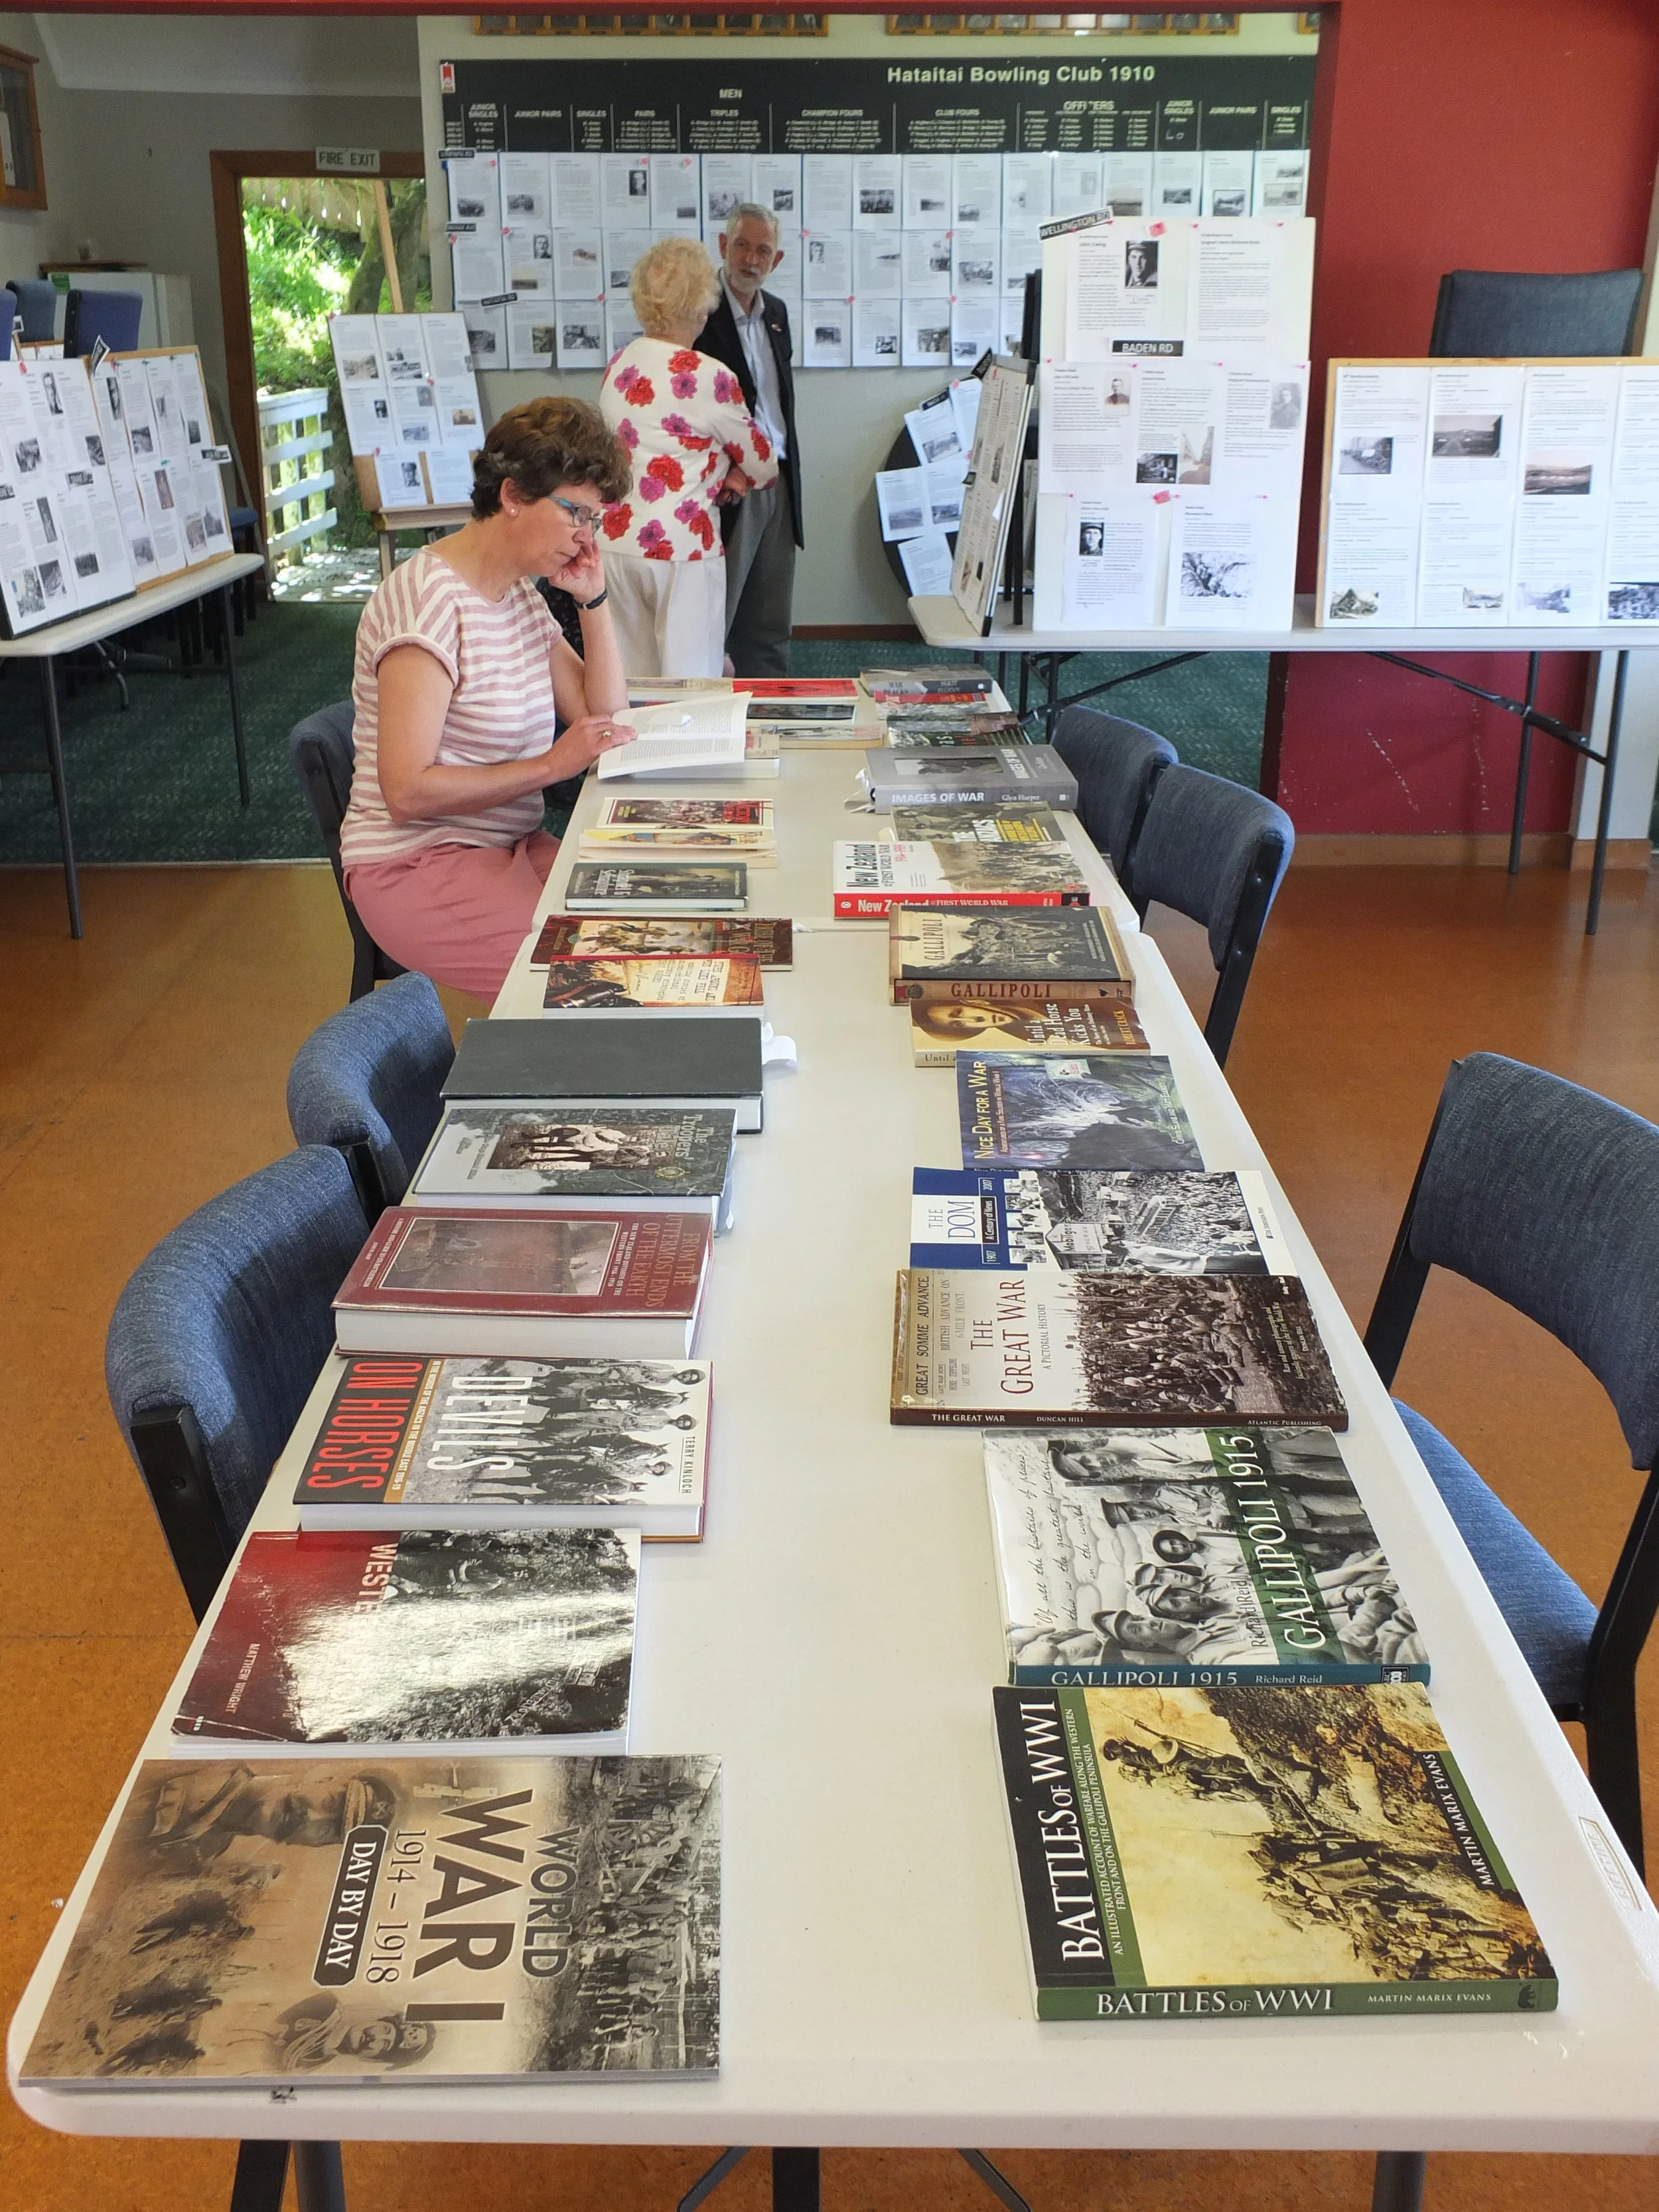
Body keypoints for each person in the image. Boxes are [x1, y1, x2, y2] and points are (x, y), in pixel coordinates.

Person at [339, 396, 634, 1003]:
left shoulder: (517, 594)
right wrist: (551, 767)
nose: (585, 535)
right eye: (576, 512)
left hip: (507, 847)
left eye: (595, 520)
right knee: (598, 985)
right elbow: (407, 790)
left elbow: (602, 719)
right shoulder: (428, 601)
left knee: (642, 940)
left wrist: (593, 600)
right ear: (512, 495)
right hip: (419, 862)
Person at [599, 237, 778, 678]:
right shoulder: (709, 376)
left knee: (629, 683)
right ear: (703, 304)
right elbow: (764, 464)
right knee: (688, 687)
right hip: (683, 549)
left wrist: (717, 468)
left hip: (616, 542)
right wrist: (731, 474)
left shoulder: (621, 364)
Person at [695, 203, 804, 676]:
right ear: (723, 246)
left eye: (764, 250)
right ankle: (709, 713)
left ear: (776, 260)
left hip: (777, 478)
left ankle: (770, 706)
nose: (751, 259)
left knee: (770, 612)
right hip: (729, 487)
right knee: (718, 608)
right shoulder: (700, 312)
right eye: (742, 245)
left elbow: (777, 404)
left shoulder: (776, 314)